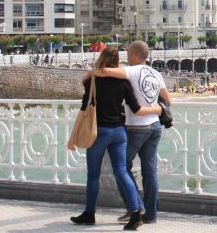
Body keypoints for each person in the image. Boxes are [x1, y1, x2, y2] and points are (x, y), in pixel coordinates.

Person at [67, 46, 161, 230]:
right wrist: (158, 109)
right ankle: (135, 213)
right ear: (117, 61)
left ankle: (89, 214)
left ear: (101, 58)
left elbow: (84, 110)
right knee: (122, 172)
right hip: (119, 132)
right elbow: (135, 108)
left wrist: (72, 137)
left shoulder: (92, 80)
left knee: (93, 175)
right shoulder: (124, 82)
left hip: (99, 132)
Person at [93, 41, 170, 225]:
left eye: (128, 53)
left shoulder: (133, 71)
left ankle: (135, 208)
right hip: (155, 127)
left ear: (135, 55)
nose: (126, 56)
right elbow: (167, 100)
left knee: (121, 167)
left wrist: (98, 69)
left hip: (137, 127)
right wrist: (153, 106)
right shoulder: (155, 73)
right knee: (150, 171)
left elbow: (103, 72)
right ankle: (151, 215)